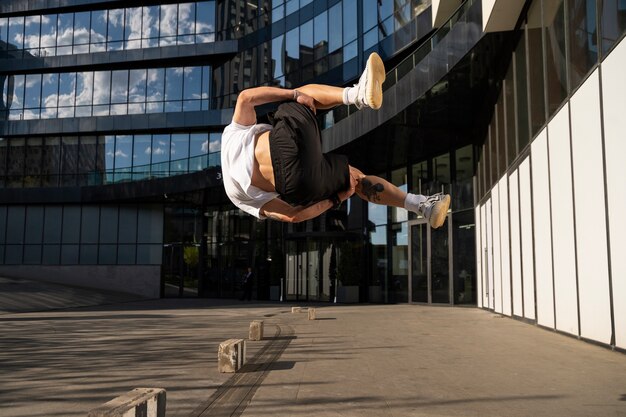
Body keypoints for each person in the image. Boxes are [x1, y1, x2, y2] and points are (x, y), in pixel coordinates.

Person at [221, 52, 450, 227]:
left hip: (301, 183)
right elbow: (245, 98)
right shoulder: (231, 136)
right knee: (299, 98)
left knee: (355, 179)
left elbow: (292, 216)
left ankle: (423, 206)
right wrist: (293, 94)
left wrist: (337, 199)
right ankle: (356, 95)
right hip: (284, 144)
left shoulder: (235, 197)